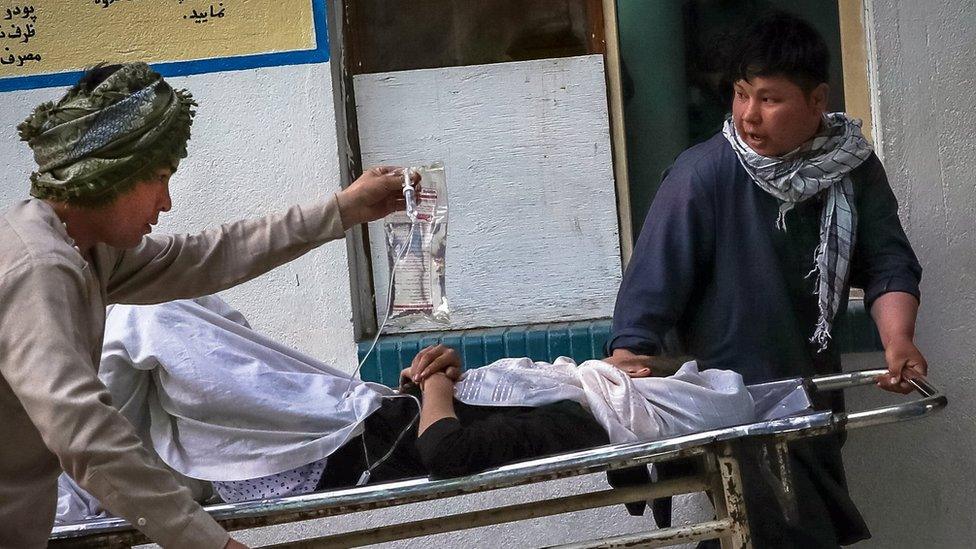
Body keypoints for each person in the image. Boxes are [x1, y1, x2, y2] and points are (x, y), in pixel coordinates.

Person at [0, 62, 417, 548]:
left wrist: (343, 210)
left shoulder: (86, 250)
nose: (166, 202)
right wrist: (209, 542)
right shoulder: (39, 269)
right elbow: (86, 437)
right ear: (111, 171)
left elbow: (205, 256)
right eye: (159, 178)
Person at [606, 11, 925, 548]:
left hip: (811, 400)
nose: (749, 115)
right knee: (773, 531)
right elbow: (648, 293)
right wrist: (624, 367)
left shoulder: (853, 171)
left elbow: (889, 264)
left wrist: (898, 342)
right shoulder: (701, 174)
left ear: (818, 101)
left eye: (770, 99)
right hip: (727, 409)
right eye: (740, 94)